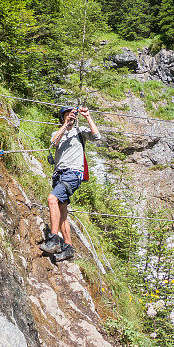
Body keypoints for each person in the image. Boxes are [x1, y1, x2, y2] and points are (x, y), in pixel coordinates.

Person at [39, 105, 100, 261]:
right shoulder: (58, 132)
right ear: (62, 117)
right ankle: (68, 247)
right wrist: (65, 125)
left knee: (52, 199)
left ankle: (53, 240)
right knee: (62, 210)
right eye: (67, 115)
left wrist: (87, 116)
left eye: (72, 116)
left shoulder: (80, 132)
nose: (70, 118)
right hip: (59, 175)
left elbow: (96, 136)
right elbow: (53, 142)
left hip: (72, 173)